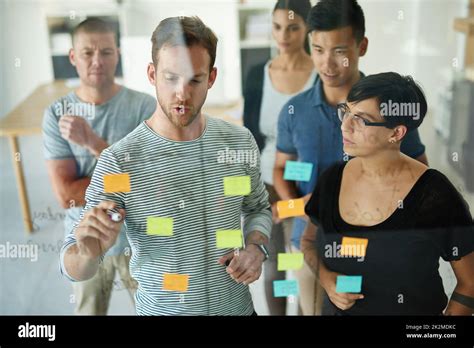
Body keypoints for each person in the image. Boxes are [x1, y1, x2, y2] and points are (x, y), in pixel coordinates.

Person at [59, 16, 272, 316]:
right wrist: (87, 255)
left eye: (195, 80)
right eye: (170, 78)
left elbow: (257, 207)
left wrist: (256, 247)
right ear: (152, 73)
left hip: (237, 309)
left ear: (211, 78)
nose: (182, 94)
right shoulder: (120, 161)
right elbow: (73, 265)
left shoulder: (238, 143)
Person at [273, 0, 429, 315]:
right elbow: (280, 168)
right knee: (314, 309)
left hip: (373, 247)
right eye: (317, 49)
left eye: (340, 51)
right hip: (311, 243)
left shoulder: (391, 106)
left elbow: (420, 176)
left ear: (362, 46)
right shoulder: (294, 110)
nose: (327, 63)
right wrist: (298, 206)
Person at [303, 72, 474, 315]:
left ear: (396, 133)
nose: (345, 125)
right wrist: (327, 280)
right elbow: (308, 241)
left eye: (361, 119)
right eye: (346, 111)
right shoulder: (332, 179)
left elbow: (470, 283)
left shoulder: (434, 194)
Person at [43, 18, 156, 314]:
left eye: (106, 52)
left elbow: (150, 185)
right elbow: (66, 193)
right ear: (73, 57)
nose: (97, 61)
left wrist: (93, 143)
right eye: (87, 53)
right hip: (84, 239)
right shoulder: (57, 113)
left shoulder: (144, 107)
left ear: (117, 54)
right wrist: (125, 180)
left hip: (140, 239)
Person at [243, 0, 316, 316]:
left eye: (293, 27)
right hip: (267, 182)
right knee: (273, 264)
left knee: (302, 260)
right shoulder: (258, 75)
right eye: (276, 27)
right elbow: (250, 137)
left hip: (309, 183)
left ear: (308, 29)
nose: (283, 36)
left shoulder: (321, 74)